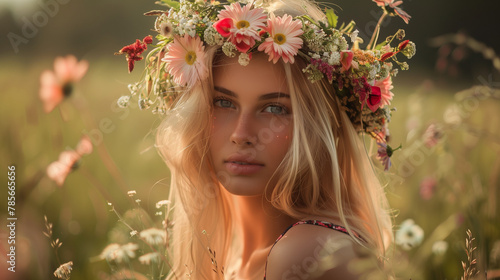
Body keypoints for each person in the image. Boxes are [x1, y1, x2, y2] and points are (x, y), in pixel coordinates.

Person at [117, 0, 415, 278]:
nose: (241, 135)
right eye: (223, 103)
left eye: (275, 108)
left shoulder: (309, 252)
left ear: (316, 126)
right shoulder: (237, 259)